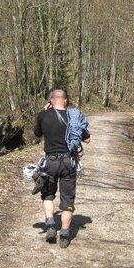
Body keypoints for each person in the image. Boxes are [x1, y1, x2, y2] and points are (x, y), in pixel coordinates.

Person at [34, 89, 91, 248]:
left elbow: (37, 133)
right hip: (68, 163)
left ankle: (51, 224)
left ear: (51, 101)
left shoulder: (43, 115)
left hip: (50, 162)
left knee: (47, 195)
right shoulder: (75, 118)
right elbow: (87, 139)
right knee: (67, 201)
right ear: (65, 101)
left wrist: (44, 113)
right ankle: (64, 236)